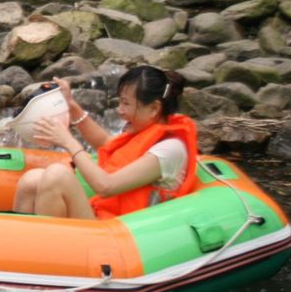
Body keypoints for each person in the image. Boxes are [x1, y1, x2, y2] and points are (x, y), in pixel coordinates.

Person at [11, 66, 199, 219]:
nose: (120, 110)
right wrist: (71, 105)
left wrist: (68, 142)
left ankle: (47, 256)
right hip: (104, 217)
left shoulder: (170, 150)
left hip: (122, 237)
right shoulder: (146, 130)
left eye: (126, 103)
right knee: (31, 180)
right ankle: (23, 250)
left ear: (154, 108)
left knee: (57, 176)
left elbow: (106, 187)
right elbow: (105, 143)